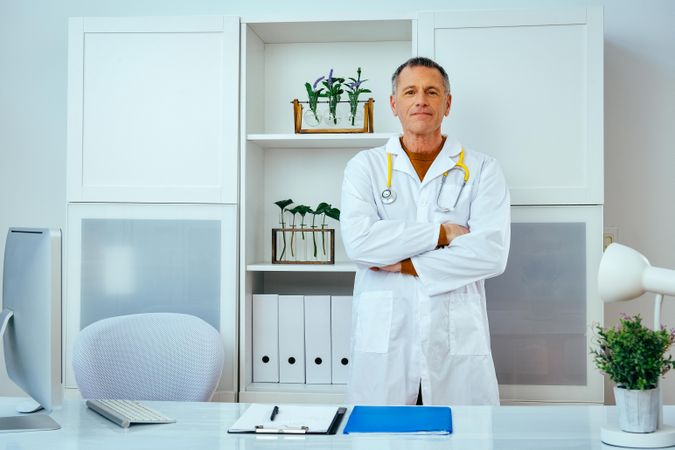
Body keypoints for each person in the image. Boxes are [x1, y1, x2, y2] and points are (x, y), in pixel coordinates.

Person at [340, 57, 510, 405]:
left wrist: (404, 264)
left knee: (463, 436)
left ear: (447, 104)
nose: (421, 100)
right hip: (386, 343)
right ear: (394, 104)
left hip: (454, 339)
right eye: (410, 91)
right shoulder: (365, 167)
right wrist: (442, 234)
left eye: (432, 92)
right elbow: (360, 243)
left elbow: (490, 254)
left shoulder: (482, 169)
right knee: (381, 438)